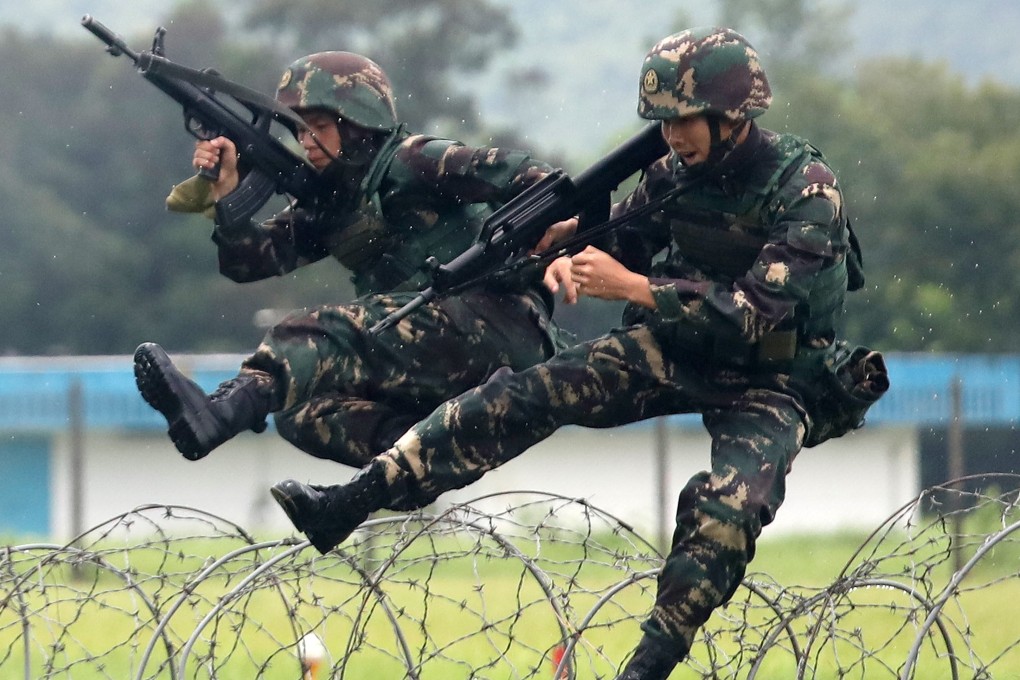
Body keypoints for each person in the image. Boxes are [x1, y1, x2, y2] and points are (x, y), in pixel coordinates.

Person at [268, 28, 889, 679]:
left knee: (728, 511)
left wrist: (635, 288)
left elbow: (753, 313)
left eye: (685, 121)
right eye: (663, 122)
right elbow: (623, 240)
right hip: (677, 350)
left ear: (733, 115)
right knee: (521, 394)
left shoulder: (806, 191)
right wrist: (565, 252)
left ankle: (649, 663)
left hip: (778, 376)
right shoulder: (673, 175)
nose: (673, 137)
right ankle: (353, 501)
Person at [134, 51, 570, 468]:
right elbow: (249, 263)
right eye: (299, 130)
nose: (306, 142)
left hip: (500, 323)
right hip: (434, 343)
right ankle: (420, 460)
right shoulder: (334, 199)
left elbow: (533, 176)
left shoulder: (415, 159)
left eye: (319, 127)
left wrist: (557, 238)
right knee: (301, 408)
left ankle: (223, 411)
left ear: (360, 122)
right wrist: (227, 194)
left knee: (313, 333)